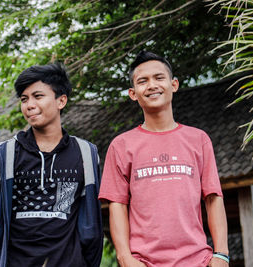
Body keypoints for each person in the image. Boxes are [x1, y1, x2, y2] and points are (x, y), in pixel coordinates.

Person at [98, 51, 229, 267]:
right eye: (143, 81)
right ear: (133, 93)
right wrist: (124, 257)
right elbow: (117, 205)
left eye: (159, 78)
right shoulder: (121, 146)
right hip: (144, 263)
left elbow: (213, 198)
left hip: (197, 261)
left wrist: (221, 254)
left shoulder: (198, 140)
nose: (152, 85)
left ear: (174, 84)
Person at [0, 63, 103, 267]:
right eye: (24, 99)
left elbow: (91, 222)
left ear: (61, 100)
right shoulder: (4, 155)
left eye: (38, 96)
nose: (29, 105)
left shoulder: (85, 153)